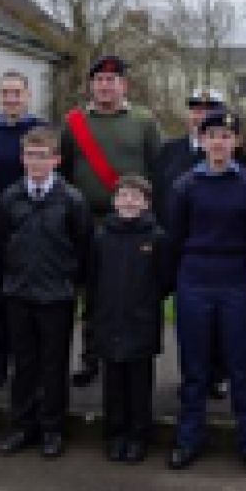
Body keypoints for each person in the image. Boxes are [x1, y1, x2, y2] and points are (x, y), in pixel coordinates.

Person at [168, 107, 246, 477]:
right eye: (212, 136)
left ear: (236, 142)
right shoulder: (185, 185)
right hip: (194, 279)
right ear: (203, 140)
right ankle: (189, 439)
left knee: (241, 367)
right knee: (194, 369)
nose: (219, 143)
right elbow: (175, 237)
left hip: (234, 281)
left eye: (226, 137)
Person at [60, 55, 161, 388]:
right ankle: (92, 356)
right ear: (91, 85)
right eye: (100, 80)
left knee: (130, 293)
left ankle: (132, 355)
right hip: (87, 220)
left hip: (132, 221)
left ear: (123, 85)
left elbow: (156, 170)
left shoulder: (144, 121)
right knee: (92, 291)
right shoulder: (73, 123)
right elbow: (63, 172)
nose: (105, 86)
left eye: (112, 80)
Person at [0, 126, 91, 459]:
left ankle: (52, 428)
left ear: (56, 160)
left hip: (56, 296)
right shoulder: (10, 197)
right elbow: (2, 241)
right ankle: (22, 426)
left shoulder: (71, 199)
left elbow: (81, 246)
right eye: (30, 156)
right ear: (22, 159)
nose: (36, 163)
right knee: (23, 364)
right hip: (20, 293)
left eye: (43, 156)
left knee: (54, 366)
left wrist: (69, 282)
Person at [155, 87, 246, 401]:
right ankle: (191, 376)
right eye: (196, 109)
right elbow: (159, 194)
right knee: (191, 325)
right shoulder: (170, 150)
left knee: (224, 326)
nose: (201, 115)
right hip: (183, 249)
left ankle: (218, 376)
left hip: (224, 253)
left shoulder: (236, 156)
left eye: (210, 109)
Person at [91, 174, 171, 464]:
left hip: (141, 321)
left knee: (139, 384)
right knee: (113, 383)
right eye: (123, 196)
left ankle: (138, 437)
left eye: (136, 197)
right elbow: (93, 277)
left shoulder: (157, 238)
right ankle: (115, 435)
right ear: (114, 202)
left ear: (147, 203)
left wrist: (146, 303)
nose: (129, 202)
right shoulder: (101, 236)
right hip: (109, 318)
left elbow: (165, 279)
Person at [0, 70, 45, 392]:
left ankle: (27, 367)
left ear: (28, 95)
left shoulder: (41, 131)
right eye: (6, 93)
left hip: (33, 226)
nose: (11, 98)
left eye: (17, 92)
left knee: (30, 305)